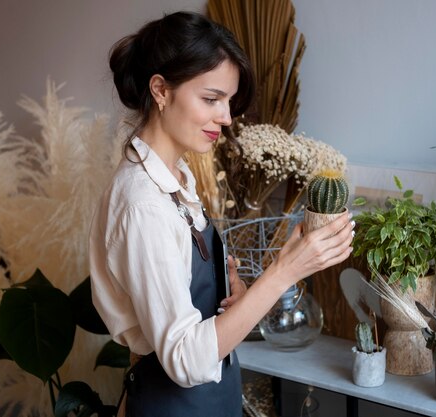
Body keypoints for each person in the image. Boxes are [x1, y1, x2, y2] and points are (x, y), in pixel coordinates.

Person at [89, 11, 355, 417]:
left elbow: (194, 322)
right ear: (160, 89)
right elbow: (185, 360)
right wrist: (283, 271)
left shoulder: (177, 180)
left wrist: (233, 296)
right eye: (211, 99)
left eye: (228, 101)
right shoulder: (143, 204)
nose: (226, 117)